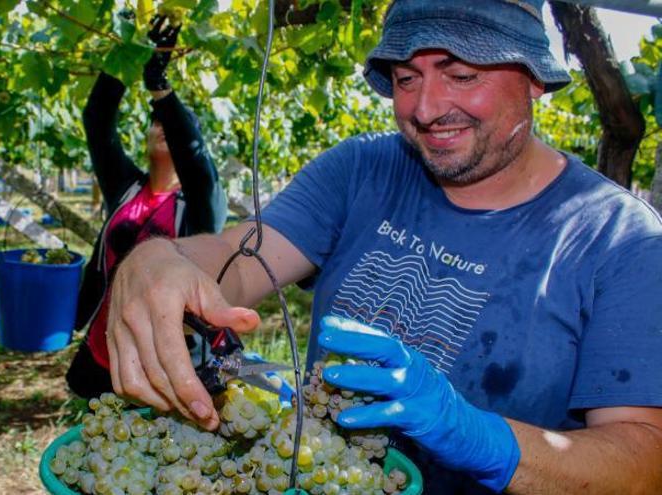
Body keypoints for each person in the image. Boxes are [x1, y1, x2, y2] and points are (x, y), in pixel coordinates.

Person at [103, 0, 662, 493]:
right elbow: (236, 259)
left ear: (535, 79)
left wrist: (481, 438)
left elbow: (643, 463)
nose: (425, 108)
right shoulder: (365, 168)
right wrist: (159, 258)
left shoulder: (620, 241)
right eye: (405, 78)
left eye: (462, 75)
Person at [64, 15, 227, 399]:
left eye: (170, 123)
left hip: (164, 359)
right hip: (104, 350)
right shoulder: (127, 188)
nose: (161, 128)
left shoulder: (199, 203)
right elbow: (97, 121)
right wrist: (129, 53)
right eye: (156, 122)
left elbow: (197, 165)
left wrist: (159, 86)